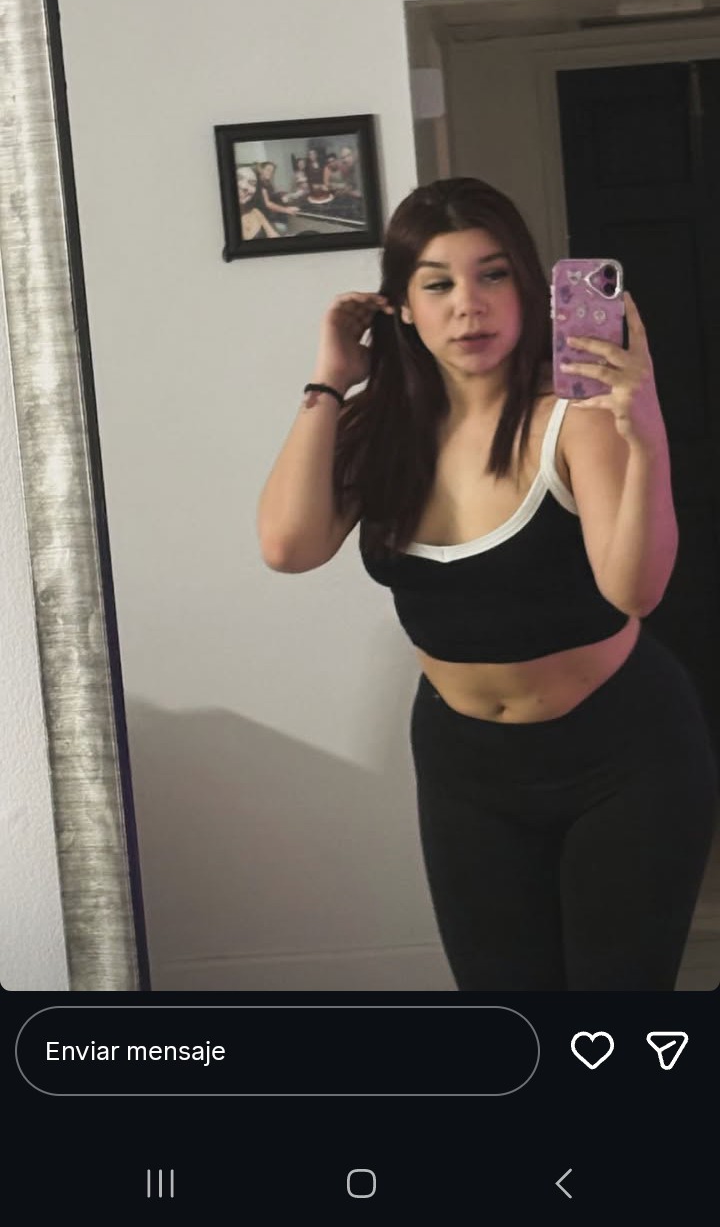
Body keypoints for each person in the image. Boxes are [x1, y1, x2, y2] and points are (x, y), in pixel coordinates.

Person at [258, 177, 719, 991]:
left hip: (623, 754)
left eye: (493, 274)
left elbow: (636, 592)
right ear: (401, 307)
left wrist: (645, 436)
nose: (468, 304)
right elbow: (289, 547)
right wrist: (331, 381)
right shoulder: (376, 431)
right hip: (465, 767)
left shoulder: (574, 418)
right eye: (437, 284)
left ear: (529, 289)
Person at [255, 162, 301, 232]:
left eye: (272, 171)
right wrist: (286, 210)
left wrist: (284, 195)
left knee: (285, 199)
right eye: (268, 170)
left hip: (270, 210)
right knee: (282, 229)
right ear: (261, 170)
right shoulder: (258, 183)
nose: (270, 173)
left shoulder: (267, 182)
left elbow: (271, 195)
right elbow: (268, 204)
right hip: (262, 214)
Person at [236, 165, 279, 240]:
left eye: (252, 183)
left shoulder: (256, 212)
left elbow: (275, 237)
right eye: (238, 178)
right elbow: (268, 204)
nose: (244, 186)